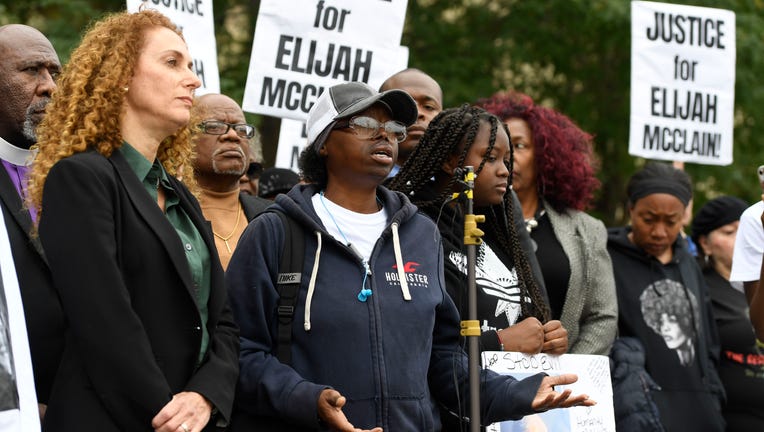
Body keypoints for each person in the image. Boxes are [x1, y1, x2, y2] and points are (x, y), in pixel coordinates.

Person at [226, 82, 593, 431]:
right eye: (366, 123)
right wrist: (308, 400)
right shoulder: (274, 232)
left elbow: (444, 360)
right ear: (323, 143)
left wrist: (518, 392)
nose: (384, 133)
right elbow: (241, 353)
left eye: (393, 127)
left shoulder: (420, 234)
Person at [26, 10, 239, 431]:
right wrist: (168, 416)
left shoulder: (182, 197)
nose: (193, 80)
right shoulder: (81, 179)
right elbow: (104, 322)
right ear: (121, 74)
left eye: (192, 67)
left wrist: (205, 395)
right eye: (172, 62)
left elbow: (225, 323)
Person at [390, 105, 567, 356]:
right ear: (451, 162)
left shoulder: (498, 231)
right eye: (491, 157)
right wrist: (498, 342)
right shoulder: (416, 228)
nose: (505, 170)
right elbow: (417, 342)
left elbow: (531, 316)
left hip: (514, 389)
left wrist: (548, 338)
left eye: (506, 160)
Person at [476, 91, 617, 355]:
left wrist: (568, 373)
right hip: (481, 381)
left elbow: (603, 316)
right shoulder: (463, 222)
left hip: (563, 384)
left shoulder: (587, 230)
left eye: (518, 146)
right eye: (495, 150)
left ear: (545, 156)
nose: (509, 159)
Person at [607, 162, 725, 431]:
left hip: (701, 415)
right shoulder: (607, 257)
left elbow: (708, 340)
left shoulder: (689, 263)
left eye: (671, 222)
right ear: (631, 210)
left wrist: (714, 396)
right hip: (641, 415)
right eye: (648, 220)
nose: (660, 232)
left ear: (684, 217)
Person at [0, 23, 64, 417]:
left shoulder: (78, 173)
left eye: (53, 72)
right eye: (31, 71)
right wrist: (16, 398)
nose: (49, 87)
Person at [691, 195, 764, 429]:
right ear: (705, 243)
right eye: (730, 232)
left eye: (745, 230)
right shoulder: (698, 288)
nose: (741, 238)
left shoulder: (757, 284)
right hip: (731, 418)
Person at [191, 93, 270, 269]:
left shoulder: (273, 215)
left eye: (241, 129)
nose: (233, 135)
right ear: (185, 139)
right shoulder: (165, 207)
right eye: (215, 126)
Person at [379, 68, 443, 176]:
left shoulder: (455, 185)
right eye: (404, 106)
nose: (417, 113)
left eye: (428, 107)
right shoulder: (358, 182)